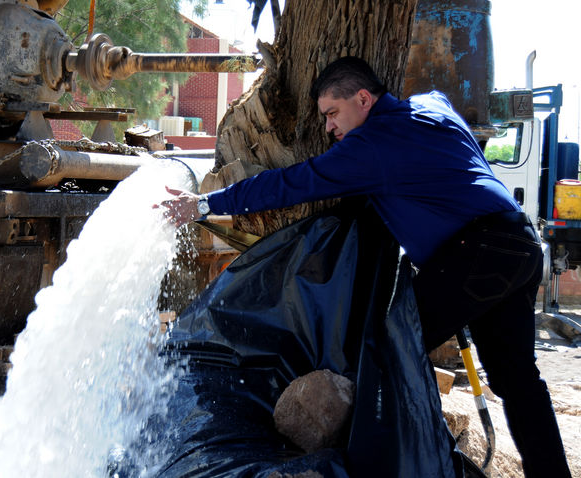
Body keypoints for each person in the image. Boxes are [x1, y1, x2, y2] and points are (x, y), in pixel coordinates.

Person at [158, 56, 571, 477]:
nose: (328, 128)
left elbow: (293, 183)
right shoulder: (432, 105)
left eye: (333, 113)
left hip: (478, 250)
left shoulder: (371, 146)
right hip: (520, 244)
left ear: (363, 99)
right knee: (518, 383)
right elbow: (441, 106)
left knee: (390, 346)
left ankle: (396, 466)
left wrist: (206, 203)